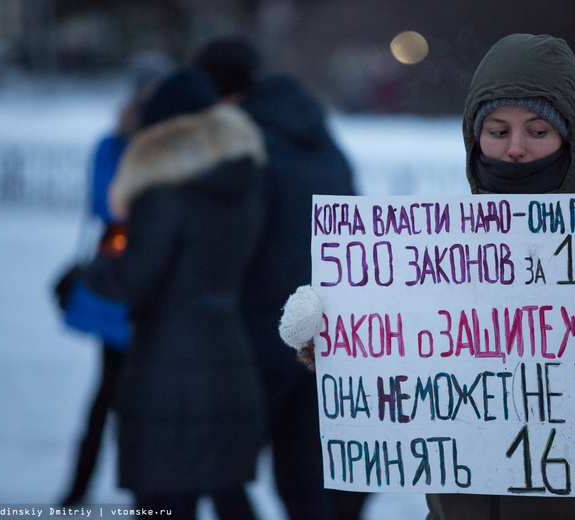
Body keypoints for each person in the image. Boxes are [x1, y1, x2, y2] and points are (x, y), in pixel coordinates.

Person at [278, 33, 575, 520]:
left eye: (537, 130)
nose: (515, 149)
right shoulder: (428, 254)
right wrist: (334, 345)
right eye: (497, 129)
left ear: (569, 134)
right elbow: (396, 395)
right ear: (474, 135)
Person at [72, 68, 268, 519]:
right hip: (229, 359)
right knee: (227, 493)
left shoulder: (165, 195)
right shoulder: (241, 184)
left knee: (161, 502)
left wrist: (88, 274)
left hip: (167, 372)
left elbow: (132, 279)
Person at [192, 37, 370, 520]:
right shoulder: (322, 136)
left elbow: (235, 244)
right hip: (323, 331)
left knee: (222, 467)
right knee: (304, 473)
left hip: (255, 333)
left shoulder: (248, 142)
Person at [58, 59, 169, 508]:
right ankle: (81, 486)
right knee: (108, 392)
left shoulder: (173, 144)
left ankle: (142, 491)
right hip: (120, 285)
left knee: (143, 399)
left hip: (156, 287)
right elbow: (109, 203)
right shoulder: (115, 143)